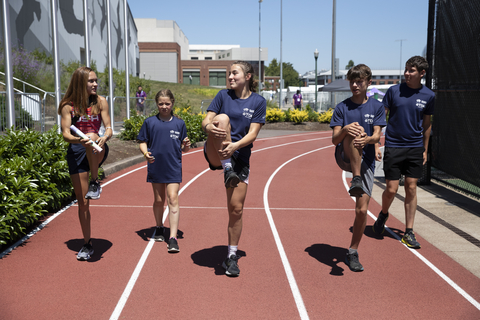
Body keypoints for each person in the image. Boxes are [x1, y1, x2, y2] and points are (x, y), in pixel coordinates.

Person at [201, 61, 266, 277]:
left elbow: (253, 134)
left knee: (236, 210)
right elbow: (207, 121)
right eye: (229, 73)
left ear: (247, 76)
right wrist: (209, 126)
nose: (229, 77)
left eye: (234, 73)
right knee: (222, 118)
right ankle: (227, 168)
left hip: (240, 155)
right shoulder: (222, 96)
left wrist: (236, 146)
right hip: (216, 153)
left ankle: (231, 256)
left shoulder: (258, 102)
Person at [372, 56, 435, 249]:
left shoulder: (429, 95)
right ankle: (383, 214)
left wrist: (425, 150)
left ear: (422, 73)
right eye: (406, 70)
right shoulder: (393, 91)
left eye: (412, 71)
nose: (407, 74)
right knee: (391, 189)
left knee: (411, 187)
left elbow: (427, 124)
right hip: (394, 146)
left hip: (415, 147)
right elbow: (380, 117)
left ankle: (409, 231)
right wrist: (376, 143)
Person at [330, 64, 386, 271]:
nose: (355, 85)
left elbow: (377, 136)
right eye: (352, 81)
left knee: (362, 211)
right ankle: (355, 178)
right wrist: (346, 129)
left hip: (367, 160)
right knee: (355, 131)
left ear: (368, 83)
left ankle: (352, 251)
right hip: (345, 155)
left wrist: (368, 140)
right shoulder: (342, 107)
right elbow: (334, 139)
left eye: (359, 81)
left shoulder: (377, 107)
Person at [58, 66, 113, 261]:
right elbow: (65, 133)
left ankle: (95, 181)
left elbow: (108, 128)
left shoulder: (101, 102)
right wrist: (77, 140)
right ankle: (87, 243)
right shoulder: (67, 105)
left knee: (91, 134)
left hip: (97, 147)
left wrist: (103, 137)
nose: (95, 84)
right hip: (77, 149)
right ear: (81, 82)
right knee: (82, 203)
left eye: (96, 80)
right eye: (91, 81)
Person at [137, 89, 191, 253]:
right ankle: (159, 226)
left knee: (173, 198)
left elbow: (184, 148)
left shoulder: (179, 124)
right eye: (161, 103)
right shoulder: (150, 122)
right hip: (156, 166)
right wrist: (145, 153)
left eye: (167, 103)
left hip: (173, 166)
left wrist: (186, 146)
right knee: (159, 200)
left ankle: (173, 238)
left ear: (172, 103)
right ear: (157, 104)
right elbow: (142, 141)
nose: (164, 106)